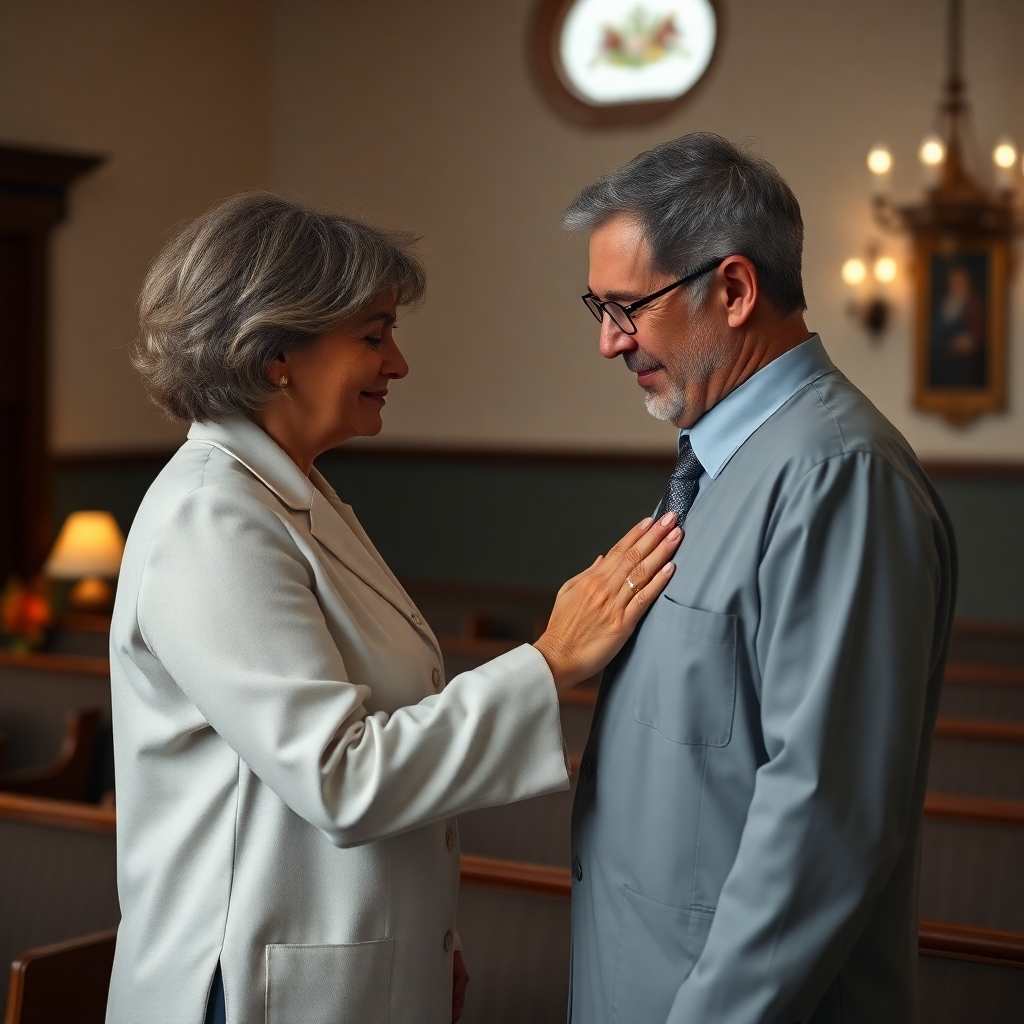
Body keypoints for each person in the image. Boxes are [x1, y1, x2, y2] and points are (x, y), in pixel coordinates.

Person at [105, 192, 681, 1024]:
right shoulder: (211, 516)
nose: (399, 363)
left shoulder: (292, 494)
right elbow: (341, 777)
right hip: (246, 990)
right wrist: (551, 661)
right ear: (275, 355)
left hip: (332, 964)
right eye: (372, 337)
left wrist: (423, 938)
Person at [563, 134, 956, 1023]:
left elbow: (822, 822)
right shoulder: (723, 460)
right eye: (597, 305)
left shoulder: (837, 475)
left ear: (735, 290)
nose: (607, 341)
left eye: (628, 307)